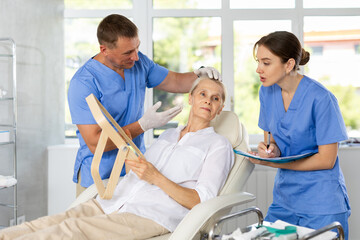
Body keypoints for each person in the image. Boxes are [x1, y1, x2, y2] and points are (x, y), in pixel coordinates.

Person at [0, 77, 234, 240]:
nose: (208, 101)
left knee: (71, 231)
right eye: (203, 94)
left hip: (149, 215)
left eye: (215, 99)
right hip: (112, 202)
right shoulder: (168, 135)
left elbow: (201, 200)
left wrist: (155, 176)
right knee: (51, 222)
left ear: (220, 108)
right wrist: (130, 160)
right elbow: (138, 170)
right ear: (191, 99)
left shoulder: (218, 145)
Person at [67, 14, 221, 196]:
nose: (136, 57)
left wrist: (199, 75)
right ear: (104, 49)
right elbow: (95, 143)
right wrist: (142, 126)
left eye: (137, 48)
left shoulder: (138, 63)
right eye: (127, 53)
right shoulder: (84, 83)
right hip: (99, 177)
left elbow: (176, 81)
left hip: (134, 172)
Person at [249, 31, 351, 239]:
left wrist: (275, 164)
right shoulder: (266, 92)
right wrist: (269, 151)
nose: (259, 69)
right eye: (258, 61)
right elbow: (273, 143)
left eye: (266, 63)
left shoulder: (321, 99)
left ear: (288, 65)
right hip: (285, 200)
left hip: (321, 202)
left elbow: (327, 159)